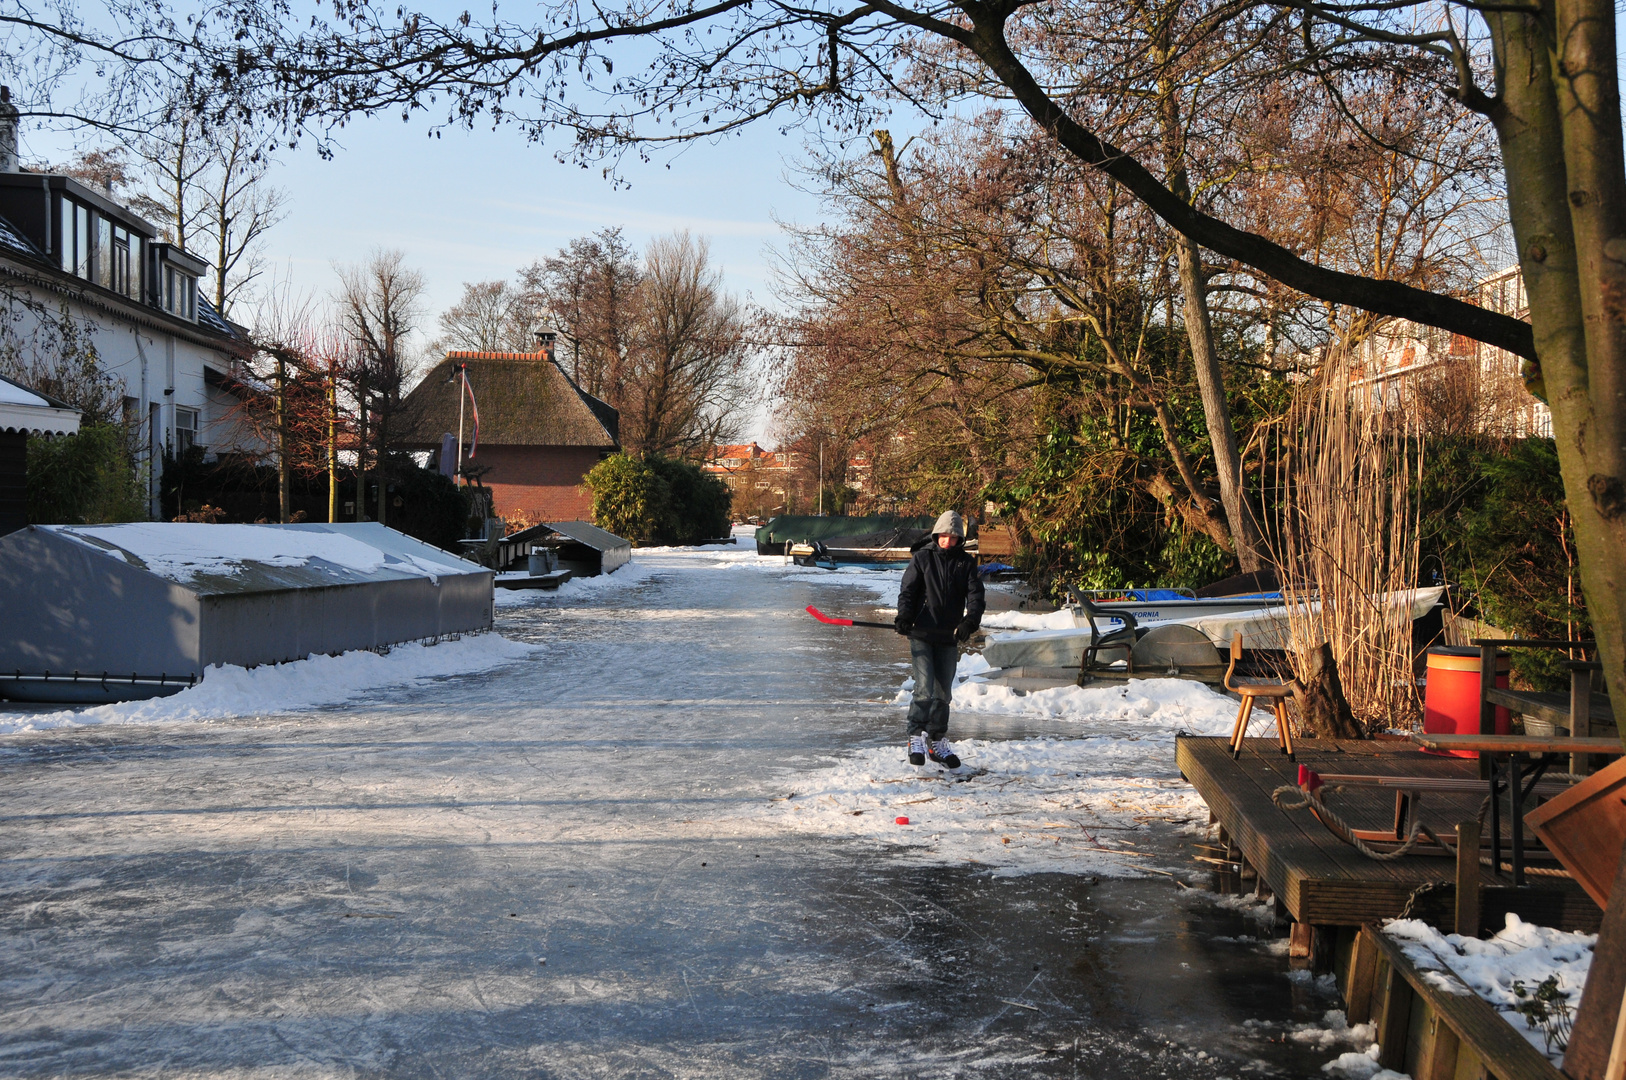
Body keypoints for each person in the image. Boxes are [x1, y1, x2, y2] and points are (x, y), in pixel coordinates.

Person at [894, 510, 985, 768]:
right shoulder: (922, 558)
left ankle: (936, 741)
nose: (948, 541)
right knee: (924, 689)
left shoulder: (966, 564)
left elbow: (976, 596)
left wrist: (969, 622)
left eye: (953, 537)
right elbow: (908, 592)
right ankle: (915, 736)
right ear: (937, 535)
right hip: (921, 633)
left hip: (948, 636)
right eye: (943, 536)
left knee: (943, 693)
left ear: (959, 539)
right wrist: (904, 617)